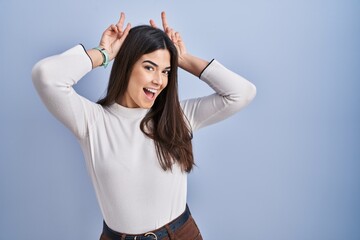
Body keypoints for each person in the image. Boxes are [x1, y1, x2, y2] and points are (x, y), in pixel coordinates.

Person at [32, 11, 256, 240]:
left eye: (166, 71)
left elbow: (242, 93)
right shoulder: (92, 121)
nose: (159, 81)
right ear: (127, 65)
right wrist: (104, 54)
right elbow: (46, 76)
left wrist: (182, 58)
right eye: (149, 67)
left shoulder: (180, 116)